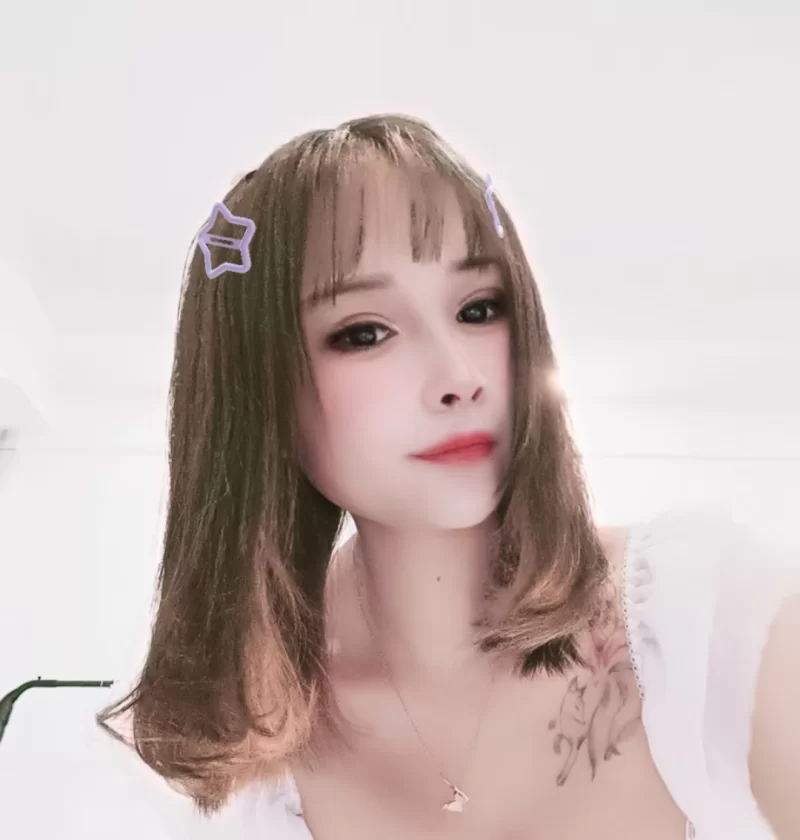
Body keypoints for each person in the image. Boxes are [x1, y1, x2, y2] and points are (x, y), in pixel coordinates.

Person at [96, 114, 800, 840]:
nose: (459, 376)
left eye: (478, 309)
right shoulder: (226, 755)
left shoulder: (702, 622)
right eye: (365, 332)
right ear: (258, 395)